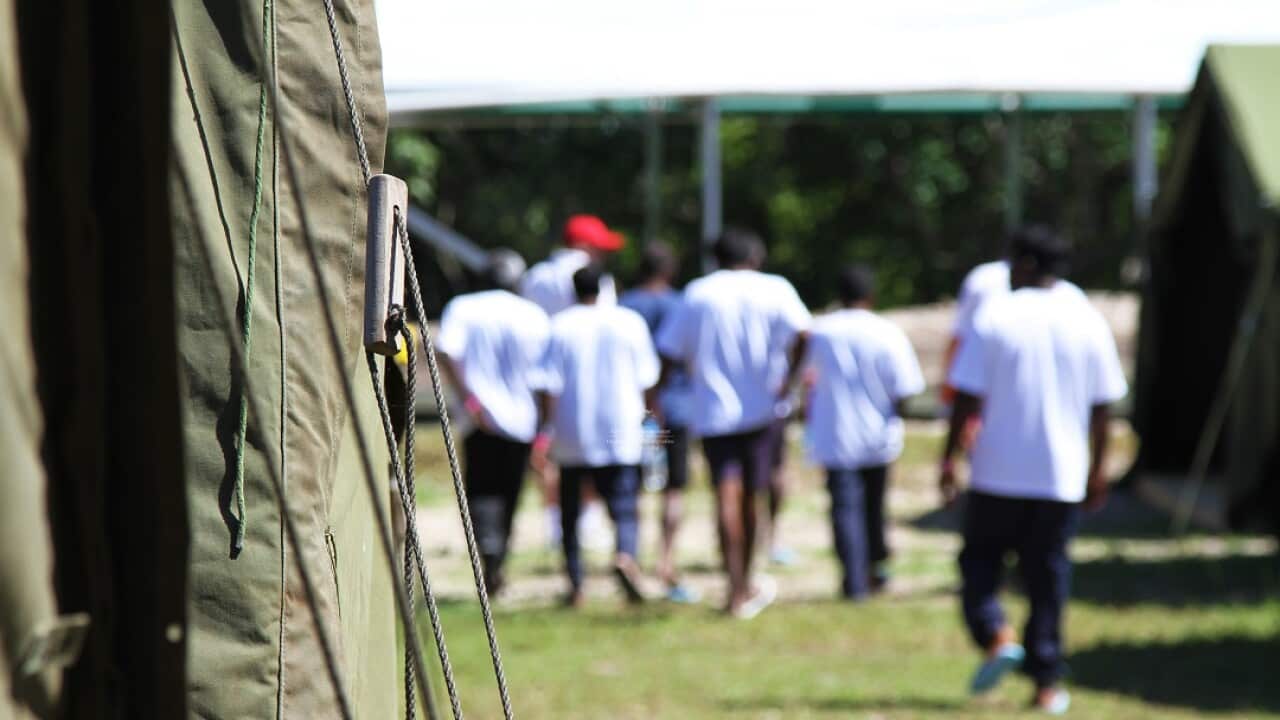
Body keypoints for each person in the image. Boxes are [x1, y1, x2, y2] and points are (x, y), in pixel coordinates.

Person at [938, 225, 1127, 715]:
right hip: (1060, 474)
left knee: (978, 564)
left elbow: (966, 395)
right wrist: (1097, 469)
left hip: (997, 469)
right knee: (1047, 579)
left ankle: (996, 634)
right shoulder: (1086, 319)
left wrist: (949, 457)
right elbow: (1103, 406)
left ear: (1021, 265)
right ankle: (1047, 684)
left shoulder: (995, 315)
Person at [656, 228, 811, 618]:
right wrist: (789, 379)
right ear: (755, 255)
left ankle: (734, 585)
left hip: (713, 408)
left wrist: (656, 398)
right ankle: (748, 576)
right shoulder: (776, 288)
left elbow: (668, 350)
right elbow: (805, 333)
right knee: (752, 495)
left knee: (725, 493)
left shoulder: (698, 293)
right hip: (764, 407)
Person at [533, 266, 659, 606]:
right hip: (621, 427)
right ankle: (625, 555)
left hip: (573, 429)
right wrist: (649, 420)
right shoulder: (629, 322)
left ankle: (576, 584)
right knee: (625, 506)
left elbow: (548, 385)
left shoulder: (559, 326)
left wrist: (545, 429)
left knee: (571, 511)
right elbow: (648, 379)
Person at [803, 265, 924, 598]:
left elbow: (804, 375)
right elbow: (906, 388)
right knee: (874, 507)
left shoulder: (823, 332)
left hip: (837, 435)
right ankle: (875, 569)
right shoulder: (887, 332)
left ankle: (853, 581)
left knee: (844, 509)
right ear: (871, 296)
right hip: (878, 437)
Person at [436, 249, 551, 595]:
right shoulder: (534, 315)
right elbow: (545, 378)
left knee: (481, 490)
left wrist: (469, 399)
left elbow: (445, 351)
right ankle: (498, 560)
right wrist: (545, 424)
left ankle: (489, 555)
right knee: (510, 491)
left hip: (479, 418)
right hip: (522, 419)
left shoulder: (464, 307)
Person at [521, 214, 626, 548]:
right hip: (587, 372)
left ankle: (555, 521)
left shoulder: (536, 276)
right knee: (588, 447)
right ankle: (588, 517)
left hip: (542, 372)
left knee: (546, 447)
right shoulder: (597, 278)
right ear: (584, 245)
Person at [619, 242, 698, 602]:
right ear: (669, 271)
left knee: (632, 486)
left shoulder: (624, 306)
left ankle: (629, 555)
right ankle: (666, 561)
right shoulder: (681, 305)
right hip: (676, 407)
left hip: (634, 408)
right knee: (673, 488)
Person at [521, 213, 623, 315]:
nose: (604, 256)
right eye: (599, 249)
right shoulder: (596, 276)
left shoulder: (534, 274)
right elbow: (604, 318)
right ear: (582, 245)